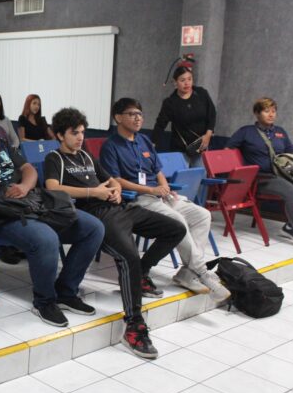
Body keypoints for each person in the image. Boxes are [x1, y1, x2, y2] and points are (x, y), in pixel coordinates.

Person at [44, 107, 187, 358]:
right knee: (128, 256)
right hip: (95, 215)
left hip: (120, 207)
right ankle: (134, 325)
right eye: (74, 133)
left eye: (82, 132)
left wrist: (115, 190)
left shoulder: (86, 156)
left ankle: (141, 272)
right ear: (59, 135)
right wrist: (94, 192)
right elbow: (52, 187)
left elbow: (111, 179)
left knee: (176, 228)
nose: (80, 137)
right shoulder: (55, 159)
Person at [0, 100, 104, 327]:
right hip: (1, 214)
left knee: (94, 228)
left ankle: (66, 291)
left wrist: (24, 186)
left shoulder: (0, 144)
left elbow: (28, 169)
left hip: (30, 202)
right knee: (46, 238)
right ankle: (44, 301)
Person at [101, 98, 231, 302]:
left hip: (160, 196)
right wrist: (151, 189)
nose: (138, 118)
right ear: (118, 117)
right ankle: (201, 272)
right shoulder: (111, 146)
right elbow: (116, 180)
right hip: (137, 199)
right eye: (132, 114)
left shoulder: (144, 141)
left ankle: (187, 273)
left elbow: (158, 171)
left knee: (202, 215)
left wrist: (164, 187)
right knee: (176, 220)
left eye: (140, 114)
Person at [227, 97, 293, 252]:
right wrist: (240, 172)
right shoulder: (246, 132)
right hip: (261, 178)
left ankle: (291, 226)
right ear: (257, 113)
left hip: (285, 175)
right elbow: (227, 152)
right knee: (292, 193)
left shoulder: (280, 132)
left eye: (273, 111)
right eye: (266, 111)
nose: (271, 114)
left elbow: (291, 152)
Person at [151, 66, 217, 165]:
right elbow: (160, 124)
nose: (187, 83)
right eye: (182, 80)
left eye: (189, 79)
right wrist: (152, 143)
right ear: (175, 82)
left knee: (199, 174)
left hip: (201, 146)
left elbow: (212, 114)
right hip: (180, 149)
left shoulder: (201, 93)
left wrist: (208, 135)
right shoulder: (170, 102)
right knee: (181, 174)